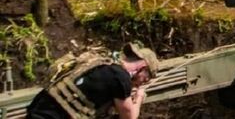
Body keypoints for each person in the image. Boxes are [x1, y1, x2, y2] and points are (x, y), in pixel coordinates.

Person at [26, 43, 158, 119]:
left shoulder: (101, 62)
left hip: (38, 110)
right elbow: (130, 117)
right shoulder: (121, 77)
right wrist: (139, 97)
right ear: (142, 67)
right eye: (146, 79)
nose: (141, 83)